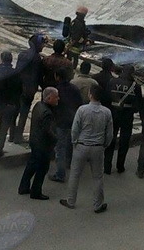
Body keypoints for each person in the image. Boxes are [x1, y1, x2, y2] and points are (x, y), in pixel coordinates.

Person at [60, 85, 113, 213]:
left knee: (75, 174)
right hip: (98, 147)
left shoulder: (82, 110)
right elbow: (109, 133)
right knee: (98, 177)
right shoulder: (106, 112)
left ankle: (71, 201)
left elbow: (75, 128)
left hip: (81, 145)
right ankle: (97, 205)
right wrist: (105, 144)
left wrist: (74, 142)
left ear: (90, 95)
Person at [18, 86, 59, 200]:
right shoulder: (47, 113)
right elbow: (48, 131)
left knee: (31, 165)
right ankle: (36, 192)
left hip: (35, 141)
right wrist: (56, 139)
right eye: (56, 97)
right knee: (42, 169)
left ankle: (24, 187)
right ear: (49, 98)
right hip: (43, 145)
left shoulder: (38, 106)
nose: (58, 99)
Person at [104, 64, 142, 174]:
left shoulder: (112, 82)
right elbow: (138, 105)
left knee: (110, 139)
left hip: (113, 113)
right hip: (127, 116)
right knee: (124, 141)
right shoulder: (136, 87)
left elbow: (106, 98)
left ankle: (107, 167)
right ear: (132, 73)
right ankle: (120, 166)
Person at [50, 67, 84, 182]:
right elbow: (80, 104)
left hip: (60, 122)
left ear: (57, 77)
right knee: (70, 144)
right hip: (73, 122)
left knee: (60, 148)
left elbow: (52, 106)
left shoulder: (56, 90)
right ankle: (68, 164)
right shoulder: (74, 89)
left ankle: (60, 174)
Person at [13, 34, 45, 143]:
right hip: (29, 89)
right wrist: (44, 86)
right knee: (24, 113)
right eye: (42, 44)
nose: (43, 46)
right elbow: (38, 75)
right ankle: (18, 136)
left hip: (18, 87)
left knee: (15, 111)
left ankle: (12, 134)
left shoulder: (22, 54)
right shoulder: (36, 58)